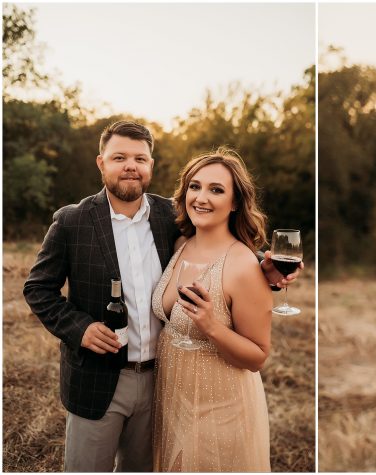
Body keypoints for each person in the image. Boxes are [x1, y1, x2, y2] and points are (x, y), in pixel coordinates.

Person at [22, 120, 297, 472]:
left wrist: (266, 269)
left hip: (161, 382)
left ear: (151, 165)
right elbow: (37, 289)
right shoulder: (72, 222)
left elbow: (217, 244)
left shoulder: (170, 216)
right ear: (101, 162)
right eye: (119, 157)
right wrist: (80, 329)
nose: (130, 166)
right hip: (97, 380)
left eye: (140, 158)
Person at [152, 148, 272, 471]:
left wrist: (212, 326)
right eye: (195, 186)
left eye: (216, 190)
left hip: (220, 409)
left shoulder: (243, 264)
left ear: (234, 203)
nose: (201, 198)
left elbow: (259, 355)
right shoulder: (180, 246)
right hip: (171, 399)